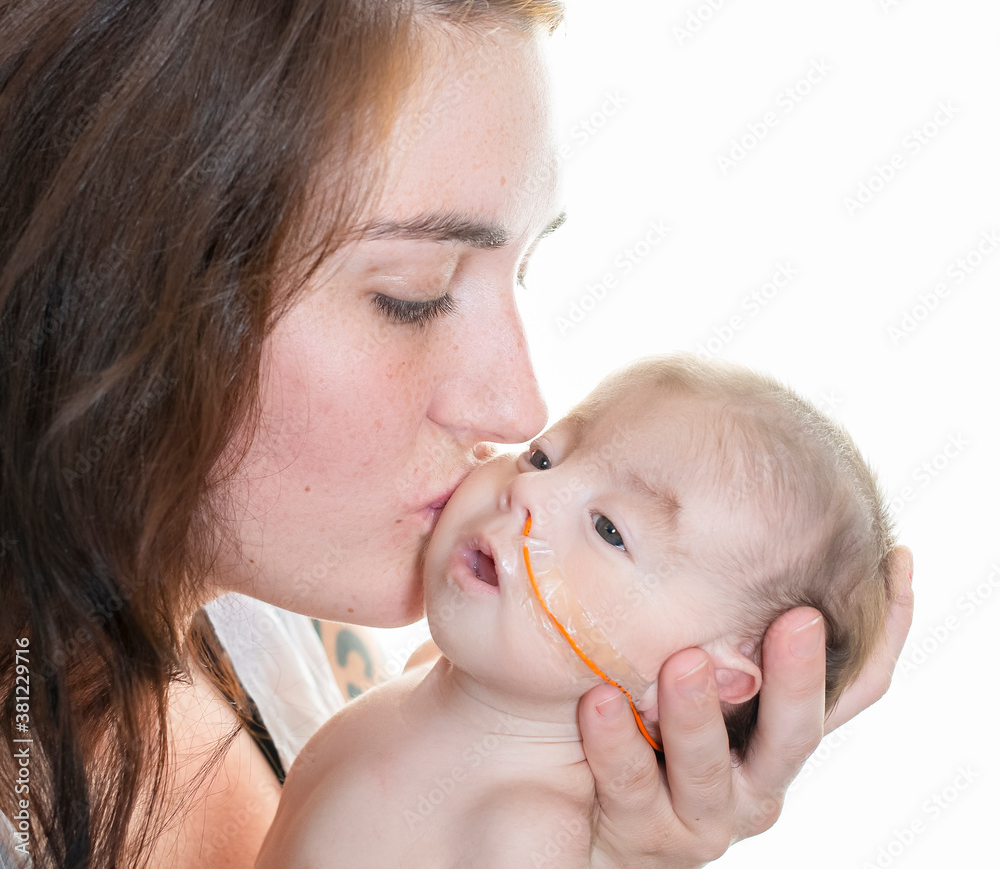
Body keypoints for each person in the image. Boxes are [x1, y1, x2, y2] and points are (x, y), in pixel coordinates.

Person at [0, 0, 913, 867]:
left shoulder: (303, 631)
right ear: (114, 289)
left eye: (520, 274)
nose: (518, 414)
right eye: (416, 296)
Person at [255, 354, 898, 868]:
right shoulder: (430, 672)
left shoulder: (530, 835)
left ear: (704, 679)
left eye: (609, 529)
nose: (530, 488)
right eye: (544, 454)